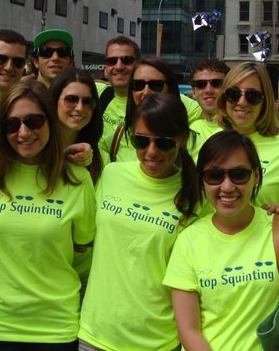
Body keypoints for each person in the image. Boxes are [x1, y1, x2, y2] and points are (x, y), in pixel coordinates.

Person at [164, 130, 279, 350]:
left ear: (257, 177)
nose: (227, 186)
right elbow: (188, 329)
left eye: (239, 175)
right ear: (202, 180)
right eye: (215, 175)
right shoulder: (188, 241)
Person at [0, 81, 96, 350]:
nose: (23, 132)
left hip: (55, 328)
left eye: (34, 121)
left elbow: (82, 248)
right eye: (12, 124)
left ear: (50, 122)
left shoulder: (77, 178)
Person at [78, 93, 198, 351]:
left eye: (164, 143)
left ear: (182, 140)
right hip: (95, 334)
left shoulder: (195, 196)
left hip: (157, 342)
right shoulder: (111, 174)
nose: (151, 152)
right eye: (141, 141)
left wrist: (273, 215)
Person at [216, 62, 279, 216]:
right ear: (224, 98)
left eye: (253, 96)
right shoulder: (211, 143)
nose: (242, 102)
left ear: (265, 102)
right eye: (234, 94)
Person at [99, 56, 201, 164]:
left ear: (170, 88)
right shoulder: (119, 134)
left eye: (155, 85)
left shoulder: (192, 141)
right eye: (138, 85)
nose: (146, 92)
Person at [49, 67, 103, 183]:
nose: (79, 108)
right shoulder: (35, 151)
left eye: (87, 102)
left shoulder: (101, 159)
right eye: (71, 99)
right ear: (54, 99)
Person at [188, 59, 230, 139]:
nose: (208, 90)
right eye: (200, 84)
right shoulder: (191, 131)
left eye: (216, 83)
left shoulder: (241, 130)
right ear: (194, 91)